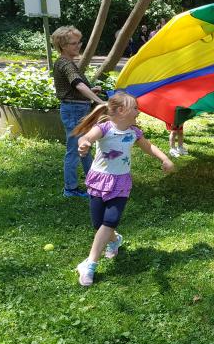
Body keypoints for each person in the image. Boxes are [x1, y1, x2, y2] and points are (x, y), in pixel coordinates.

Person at [71, 92, 175, 286]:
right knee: (98, 225)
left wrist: (165, 158)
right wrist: (84, 144)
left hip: (121, 183)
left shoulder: (134, 132)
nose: (138, 112)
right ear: (121, 110)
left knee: (110, 221)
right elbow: (87, 138)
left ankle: (90, 264)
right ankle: (114, 240)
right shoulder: (104, 128)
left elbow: (149, 147)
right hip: (99, 181)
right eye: (135, 108)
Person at [51, 26, 106, 198]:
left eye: (79, 42)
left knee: (84, 147)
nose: (78, 46)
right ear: (63, 46)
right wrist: (100, 102)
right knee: (74, 150)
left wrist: (92, 90)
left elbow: (77, 87)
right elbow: (78, 84)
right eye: (73, 43)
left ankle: (93, 183)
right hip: (74, 111)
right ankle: (71, 189)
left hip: (77, 108)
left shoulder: (66, 62)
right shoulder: (65, 63)